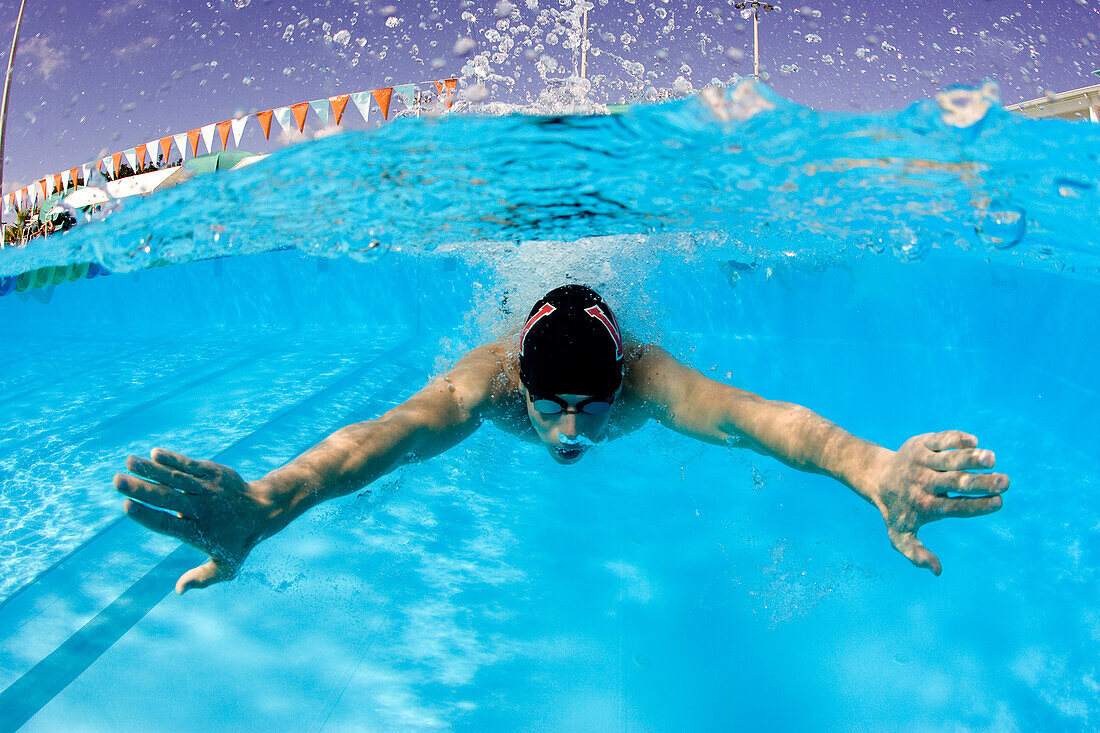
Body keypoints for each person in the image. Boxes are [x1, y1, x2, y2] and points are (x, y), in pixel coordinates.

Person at [115, 284, 1009, 595]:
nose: (573, 430)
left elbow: (756, 417)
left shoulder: (647, 379)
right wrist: (270, 503)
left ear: (618, 382)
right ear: (523, 390)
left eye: (590, 403)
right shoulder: (490, 383)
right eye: (552, 408)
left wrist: (872, 465)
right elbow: (378, 438)